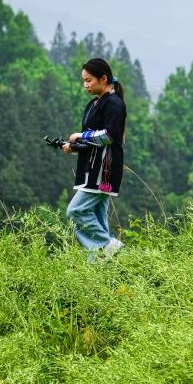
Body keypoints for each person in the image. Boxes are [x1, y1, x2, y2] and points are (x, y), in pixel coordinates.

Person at [63, 58, 127, 261]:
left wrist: (81, 136)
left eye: (89, 80)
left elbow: (109, 136)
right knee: (99, 220)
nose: (85, 85)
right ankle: (100, 266)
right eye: (83, 80)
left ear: (104, 78)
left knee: (75, 211)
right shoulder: (94, 103)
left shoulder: (114, 103)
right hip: (91, 168)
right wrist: (73, 147)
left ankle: (109, 245)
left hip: (103, 171)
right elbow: (93, 139)